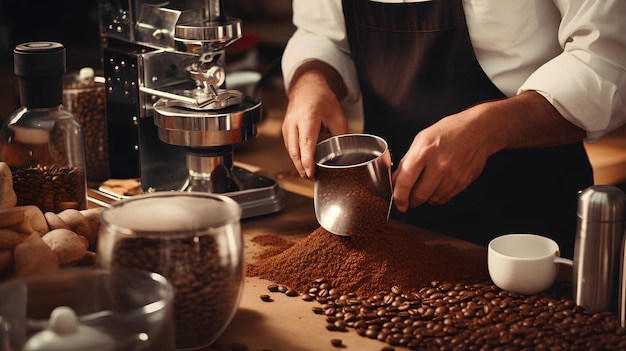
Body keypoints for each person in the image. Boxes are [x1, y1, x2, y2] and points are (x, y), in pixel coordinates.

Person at [280, 0, 626, 258]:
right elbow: (320, 33)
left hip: (531, 226)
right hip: (389, 229)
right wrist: (310, 80)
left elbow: (607, 61)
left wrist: (490, 127)